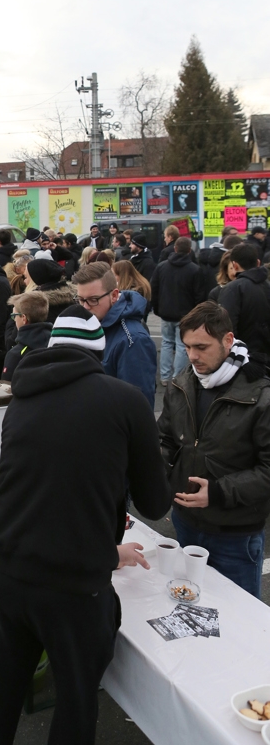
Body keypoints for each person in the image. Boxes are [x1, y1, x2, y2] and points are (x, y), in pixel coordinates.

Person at [0, 304, 171, 745]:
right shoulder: (125, 400)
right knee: (76, 705)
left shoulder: (23, 395)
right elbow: (154, 502)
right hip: (74, 586)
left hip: (6, 569)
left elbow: (49, 493)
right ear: (98, 353)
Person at [158, 302, 270, 598]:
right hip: (185, 523)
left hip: (235, 534)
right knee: (187, 609)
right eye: (187, 347)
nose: (192, 356)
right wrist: (157, 474)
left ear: (228, 340)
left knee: (240, 622)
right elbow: (166, 439)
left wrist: (219, 491)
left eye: (201, 347)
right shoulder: (182, 383)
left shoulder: (261, 394)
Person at [73, 262, 157, 407]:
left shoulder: (133, 340)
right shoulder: (91, 324)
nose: (85, 307)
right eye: (81, 300)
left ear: (114, 295)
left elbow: (138, 404)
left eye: (93, 300)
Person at [151, 236, 206, 384]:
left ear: (175, 248)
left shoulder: (161, 267)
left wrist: (156, 308)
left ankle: (165, 376)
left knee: (166, 343)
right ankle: (178, 376)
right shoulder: (195, 270)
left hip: (166, 312)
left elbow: (154, 289)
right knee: (182, 345)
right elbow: (199, 295)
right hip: (186, 314)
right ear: (189, 251)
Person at [216, 243, 270, 360]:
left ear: (234, 265)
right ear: (258, 263)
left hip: (243, 359)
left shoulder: (232, 289)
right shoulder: (267, 286)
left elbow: (226, 326)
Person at [1, 291, 52, 380]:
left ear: (24, 318)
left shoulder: (16, 355)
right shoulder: (54, 344)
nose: (14, 320)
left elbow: (7, 388)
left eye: (14, 315)